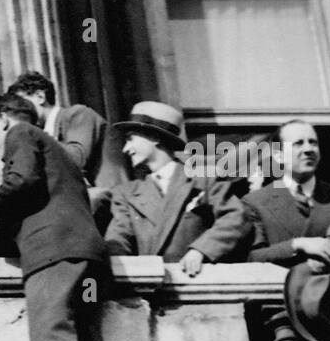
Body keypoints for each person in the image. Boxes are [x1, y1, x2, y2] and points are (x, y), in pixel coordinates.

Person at [0, 93, 110, 341]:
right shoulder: (59, 155)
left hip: (55, 257)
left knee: (52, 336)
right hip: (88, 262)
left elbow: (21, 180)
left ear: (3, 120)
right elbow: (34, 194)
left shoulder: (21, 132)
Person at [105, 101, 249, 276]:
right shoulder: (126, 193)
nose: (125, 149)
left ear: (155, 137)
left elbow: (235, 217)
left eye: (130, 139)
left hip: (199, 282)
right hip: (153, 287)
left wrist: (201, 250)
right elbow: (118, 238)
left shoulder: (204, 179)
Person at [243, 120, 330, 266]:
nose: (309, 149)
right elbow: (252, 257)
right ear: (279, 155)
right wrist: (296, 245)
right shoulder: (256, 202)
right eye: (298, 143)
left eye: (313, 143)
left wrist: (327, 250)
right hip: (283, 287)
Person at [9, 71, 121, 232]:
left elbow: (77, 158)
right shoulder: (45, 132)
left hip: (112, 207)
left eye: (23, 104)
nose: (21, 113)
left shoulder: (77, 114)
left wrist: (33, 137)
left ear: (40, 96)